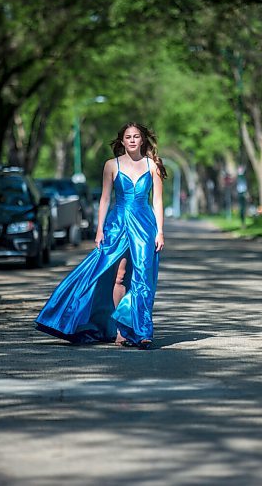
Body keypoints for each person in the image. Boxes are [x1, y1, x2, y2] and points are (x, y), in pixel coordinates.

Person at [35, 122, 166, 349]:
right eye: (128, 137)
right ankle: (119, 331)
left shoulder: (152, 165)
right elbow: (105, 199)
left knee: (143, 277)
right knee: (117, 275)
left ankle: (142, 331)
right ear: (122, 141)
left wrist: (160, 232)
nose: (133, 140)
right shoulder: (111, 165)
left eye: (136, 136)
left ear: (142, 140)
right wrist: (98, 229)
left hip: (145, 225)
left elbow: (157, 201)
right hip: (117, 223)